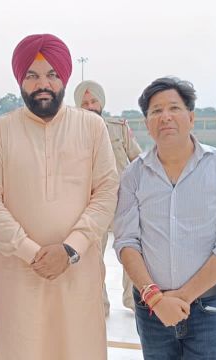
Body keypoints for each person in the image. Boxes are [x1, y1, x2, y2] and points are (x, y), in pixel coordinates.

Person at [0, 33, 118, 360]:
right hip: (18, 274)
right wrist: (30, 252)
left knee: (78, 348)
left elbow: (107, 192)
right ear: (20, 81)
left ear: (65, 79)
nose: (44, 84)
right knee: (20, 349)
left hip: (77, 272)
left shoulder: (92, 128)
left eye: (52, 74)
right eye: (33, 75)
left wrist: (70, 249)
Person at [113, 77, 216, 359]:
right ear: (147, 124)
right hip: (151, 308)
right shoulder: (133, 175)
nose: (165, 117)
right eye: (155, 111)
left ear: (191, 117)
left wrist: (182, 298)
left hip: (208, 306)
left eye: (174, 108)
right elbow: (126, 241)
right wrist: (155, 298)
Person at [74, 79, 142, 314]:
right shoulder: (71, 131)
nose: (90, 106)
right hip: (91, 203)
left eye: (94, 101)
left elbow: (137, 159)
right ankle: (98, 304)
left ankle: (134, 300)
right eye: (84, 103)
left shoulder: (118, 128)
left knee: (132, 250)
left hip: (123, 200)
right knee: (92, 255)